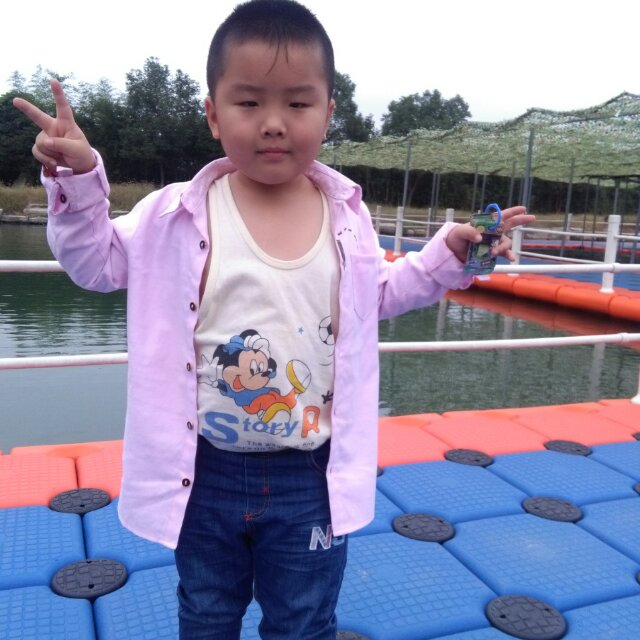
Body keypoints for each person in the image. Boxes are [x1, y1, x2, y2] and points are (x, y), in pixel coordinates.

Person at [13, 1, 534, 637]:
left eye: (297, 103)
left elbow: (379, 295)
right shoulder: (171, 215)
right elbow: (94, 263)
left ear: (327, 113)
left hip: (309, 473)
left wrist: (447, 254)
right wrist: (79, 179)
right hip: (202, 470)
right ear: (213, 114)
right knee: (207, 613)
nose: (273, 123)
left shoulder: (347, 217)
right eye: (249, 102)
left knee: (304, 620)